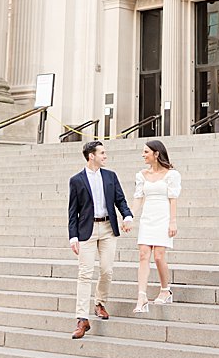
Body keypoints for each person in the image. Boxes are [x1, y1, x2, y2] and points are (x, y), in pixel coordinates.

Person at [67, 140, 133, 339]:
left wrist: (127, 216)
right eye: (102, 153)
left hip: (107, 228)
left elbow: (120, 200)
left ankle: (99, 302)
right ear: (91, 156)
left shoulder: (110, 176)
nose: (105, 156)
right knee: (84, 274)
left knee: (106, 270)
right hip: (86, 229)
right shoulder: (76, 180)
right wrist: (73, 236)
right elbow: (73, 211)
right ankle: (81, 319)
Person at [133, 139, 181, 312]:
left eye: (146, 152)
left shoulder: (171, 175)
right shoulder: (141, 175)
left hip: (163, 216)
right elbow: (138, 198)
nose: (143, 155)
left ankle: (165, 290)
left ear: (156, 154)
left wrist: (173, 221)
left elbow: (173, 199)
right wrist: (129, 217)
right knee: (143, 254)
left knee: (159, 256)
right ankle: (142, 296)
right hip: (148, 217)